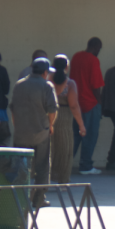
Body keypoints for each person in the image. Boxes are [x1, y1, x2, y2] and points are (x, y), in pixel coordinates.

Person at [11, 57, 58, 207]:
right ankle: (39, 199)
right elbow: (52, 110)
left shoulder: (19, 84)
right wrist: (50, 125)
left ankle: (18, 198)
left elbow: (13, 108)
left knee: (20, 167)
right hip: (40, 134)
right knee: (42, 167)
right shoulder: (46, 86)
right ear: (45, 72)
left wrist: (17, 125)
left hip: (21, 134)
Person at [48, 55, 86, 183]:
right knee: (65, 148)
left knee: (49, 149)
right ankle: (63, 179)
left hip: (48, 116)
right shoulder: (70, 83)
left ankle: (46, 178)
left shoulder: (48, 81)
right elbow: (74, 106)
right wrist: (81, 125)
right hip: (64, 118)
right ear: (67, 67)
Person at [70, 38, 105, 175]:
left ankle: (65, 162)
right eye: (99, 49)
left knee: (75, 136)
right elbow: (96, 85)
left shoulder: (76, 57)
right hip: (90, 103)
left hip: (76, 103)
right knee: (90, 135)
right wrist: (100, 101)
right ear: (96, 47)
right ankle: (86, 165)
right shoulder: (93, 60)